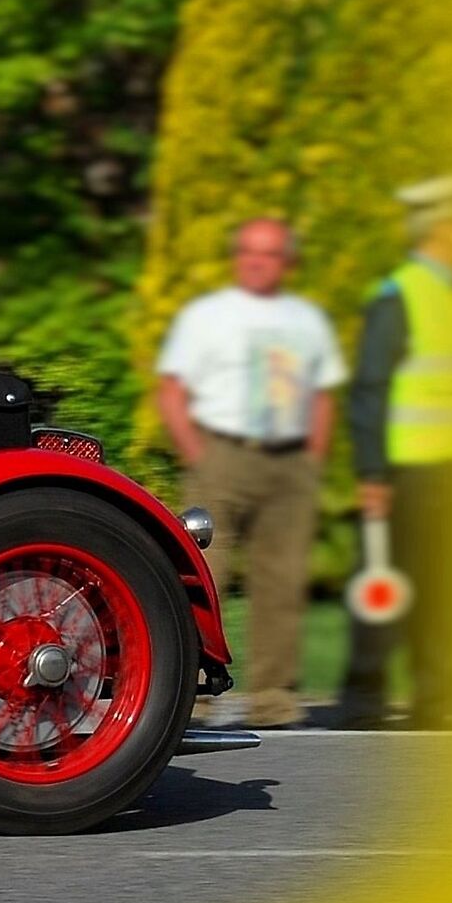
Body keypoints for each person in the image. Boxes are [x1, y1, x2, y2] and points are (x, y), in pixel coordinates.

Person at [154, 216, 347, 730]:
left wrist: (313, 458)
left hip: (289, 460)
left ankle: (273, 698)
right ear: (237, 257)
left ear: (287, 262)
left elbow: (322, 393)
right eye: (248, 252)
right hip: (222, 456)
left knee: (282, 580)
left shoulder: (307, 320)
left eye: (269, 253)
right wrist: (199, 454)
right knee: (202, 576)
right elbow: (172, 390)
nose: (257, 262)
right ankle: (193, 694)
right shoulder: (206, 316)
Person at [339, 171, 452, 729]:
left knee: (443, 588)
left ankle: (432, 700)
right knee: (386, 588)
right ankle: (363, 699)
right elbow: (371, 387)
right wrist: (373, 473)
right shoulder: (400, 294)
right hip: (409, 472)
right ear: (445, 230)